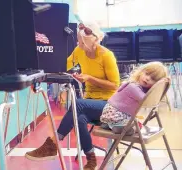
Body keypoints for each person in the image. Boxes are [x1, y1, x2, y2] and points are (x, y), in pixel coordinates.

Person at [25, 21, 120, 170]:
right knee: (79, 118)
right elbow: (63, 65)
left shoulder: (106, 56)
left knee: (78, 104)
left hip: (109, 104)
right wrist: (45, 70)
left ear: (94, 39)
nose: (78, 42)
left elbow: (115, 85)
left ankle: (53, 144)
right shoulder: (79, 51)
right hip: (91, 102)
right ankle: (91, 160)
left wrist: (89, 78)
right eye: (78, 39)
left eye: (82, 40)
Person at [100, 62, 168, 135]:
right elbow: (145, 101)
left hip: (121, 114)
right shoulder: (133, 87)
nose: (147, 78)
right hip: (114, 113)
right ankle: (116, 127)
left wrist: (159, 85)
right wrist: (159, 86)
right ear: (141, 72)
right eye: (147, 74)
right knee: (135, 127)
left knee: (137, 125)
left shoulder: (142, 88)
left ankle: (111, 125)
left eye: (153, 79)